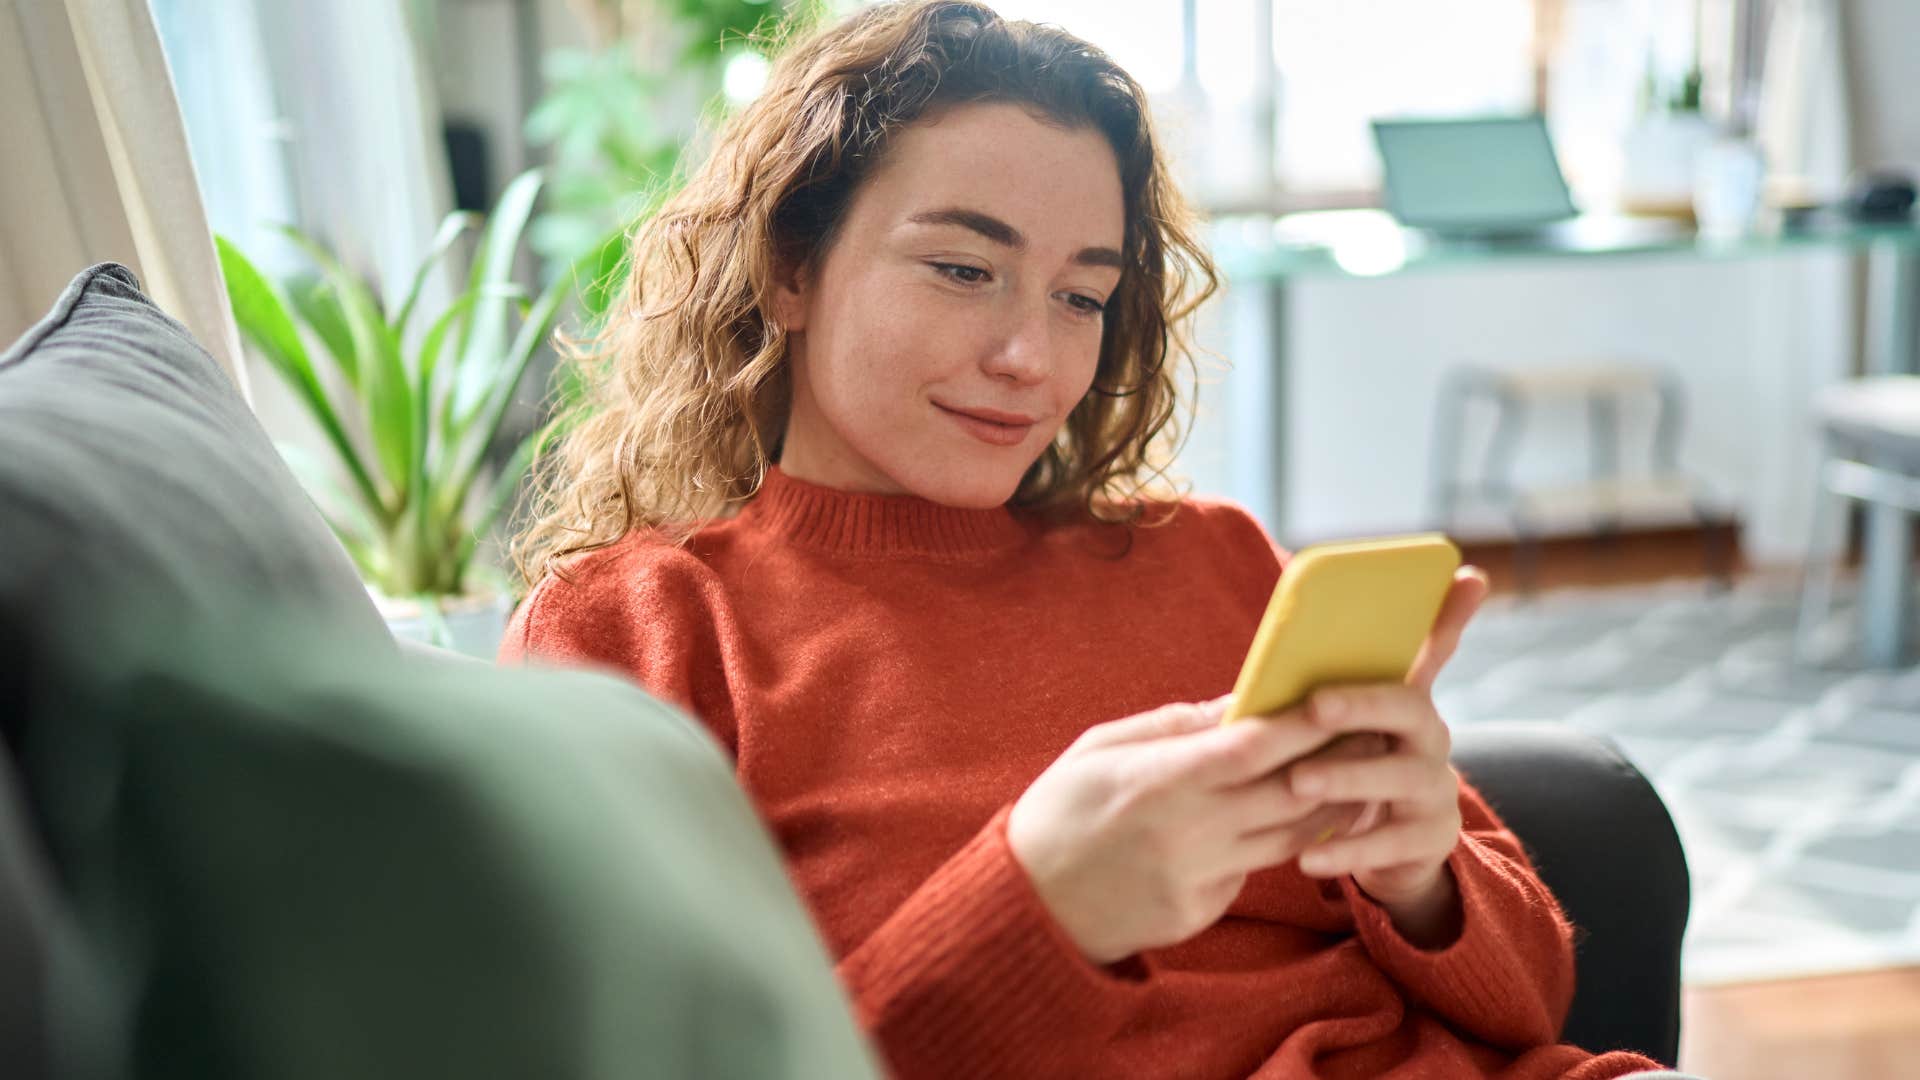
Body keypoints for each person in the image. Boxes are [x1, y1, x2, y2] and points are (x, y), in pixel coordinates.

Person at [499, 3, 1698, 1077]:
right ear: (788, 267)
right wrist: (1038, 909)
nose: (1032, 358)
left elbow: (1540, 1003)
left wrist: (1422, 877)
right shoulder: (640, 632)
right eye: (965, 269)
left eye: (1082, 296)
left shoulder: (1213, 558)